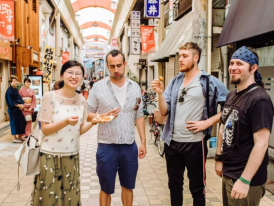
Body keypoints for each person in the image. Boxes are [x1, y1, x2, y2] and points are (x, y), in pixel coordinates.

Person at [151, 42, 229, 206]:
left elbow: (231, 106)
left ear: (196, 58)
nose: (180, 59)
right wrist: (159, 93)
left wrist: (208, 122)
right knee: (174, 186)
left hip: (195, 144)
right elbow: (164, 111)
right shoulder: (175, 82)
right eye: (180, 56)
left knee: (197, 188)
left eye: (185, 56)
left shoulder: (209, 81)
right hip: (172, 143)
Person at [215, 46, 274, 206]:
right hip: (230, 172)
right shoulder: (232, 94)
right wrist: (219, 158)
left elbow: (261, 144)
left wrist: (244, 179)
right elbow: (223, 126)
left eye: (239, 63)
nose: (233, 67)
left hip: (246, 179)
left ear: (253, 68)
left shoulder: (259, 100)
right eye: (232, 63)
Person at [31, 60, 95, 205]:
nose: (74, 76)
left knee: (70, 197)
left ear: (82, 77)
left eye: (78, 73)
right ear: (62, 75)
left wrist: (94, 122)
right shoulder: (50, 97)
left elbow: (79, 130)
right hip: (49, 156)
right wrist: (65, 122)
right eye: (70, 72)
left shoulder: (82, 100)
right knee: (48, 197)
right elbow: (45, 129)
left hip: (72, 156)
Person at [87, 49, 147, 206]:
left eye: (119, 65)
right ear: (107, 66)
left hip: (129, 146)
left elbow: (139, 114)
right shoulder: (98, 87)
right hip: (107, 146)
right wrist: (104, 117)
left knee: (128, 186)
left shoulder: (135, 87)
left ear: (125, 64)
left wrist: (143, 142)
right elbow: (87, 114)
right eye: (112, 66)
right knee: (106, 188)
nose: (116, 70)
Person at [5, 75, 27, 143]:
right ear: (10, 82)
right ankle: (14, 138)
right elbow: (11, 101)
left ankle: (20, 136)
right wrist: (18, 105)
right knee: (14, 123)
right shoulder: (9, 91)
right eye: (14, 81)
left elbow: (19, 99)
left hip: (18, 109)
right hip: (13, 110)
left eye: (16, 81)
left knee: (22, 122)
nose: (16, 82)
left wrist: (22, 104)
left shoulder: (15, 89)